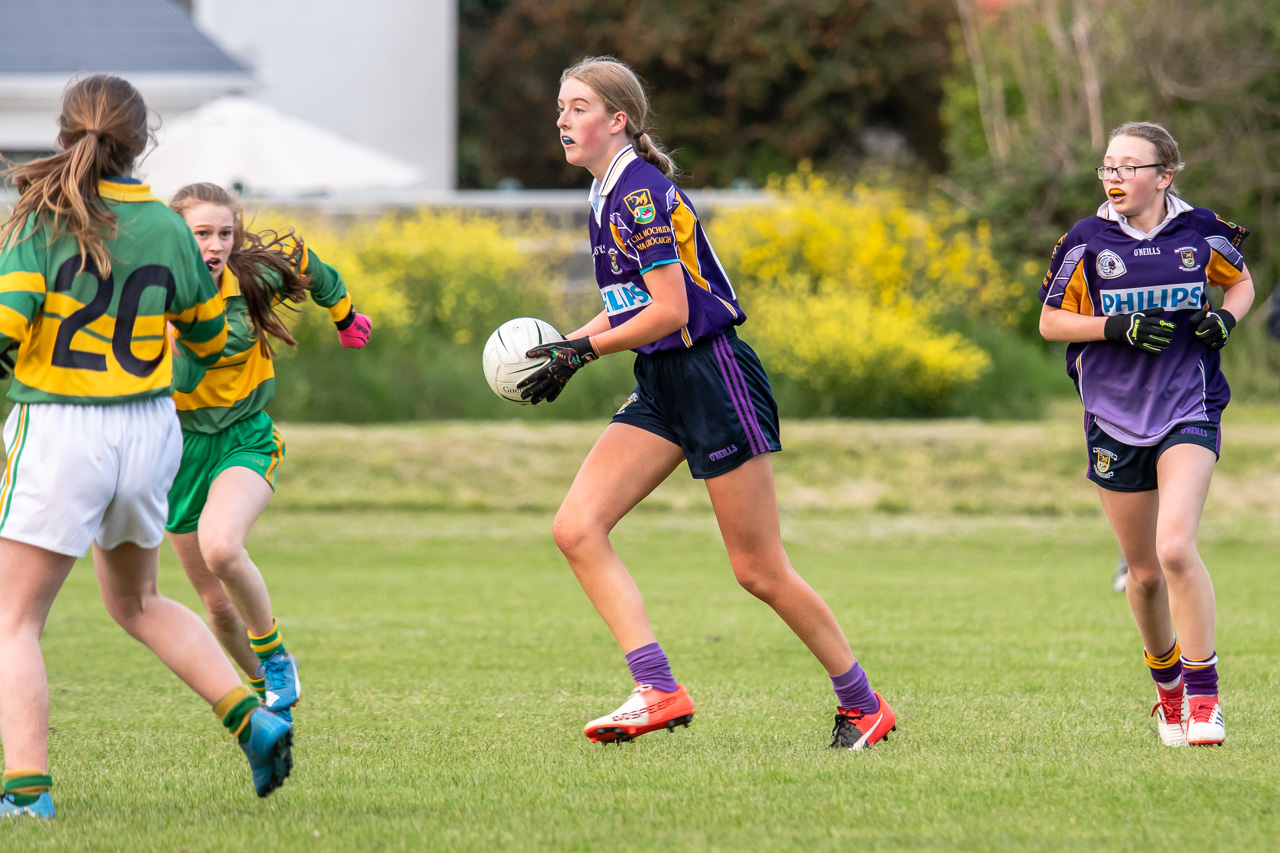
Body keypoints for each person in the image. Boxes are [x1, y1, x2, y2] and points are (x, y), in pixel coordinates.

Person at [518, 56, 896, 750]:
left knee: (758, 568)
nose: (563, 119)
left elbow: (669, 310)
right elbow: (627, 307)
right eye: (561, 106)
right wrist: (563, 349)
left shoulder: (638, 193)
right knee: (576, 528)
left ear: (617, 119)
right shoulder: (606, 192)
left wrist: (584, 353)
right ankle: (658, 689)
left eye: (577, 107)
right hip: (663, 381)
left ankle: (864, 703)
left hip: (713, 375)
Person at [0, 76, 291, 819]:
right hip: (150, 428)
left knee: (14, 620)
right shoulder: (167, 227)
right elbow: (207, 331)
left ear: (68, 135)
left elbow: (5, 332)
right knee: (139, 600)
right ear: (142, 141)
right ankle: (251, 716)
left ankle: (27, 794)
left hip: (63, 425)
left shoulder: (43, 218)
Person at [1039, 121, 1253, 748]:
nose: (1114, 177)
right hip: (1113, 416)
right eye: (1108, 165)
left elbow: (1239, 282)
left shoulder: (1201, 231)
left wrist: (1226, 320)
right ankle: (1168, 694)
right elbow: (1052, 323)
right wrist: (1116, 328)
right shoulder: (1085, 241)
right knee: (1144, 573)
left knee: (1177, 549)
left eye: (1129, 166)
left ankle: (1205, 700)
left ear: (1164, 176)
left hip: (1189, 403)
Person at [165, 182, 371, 721]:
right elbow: (179, 375)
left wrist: (346, 316)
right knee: (215, 604)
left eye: (224, 233)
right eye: (201, 234)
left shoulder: (254, 274)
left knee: (222, 548)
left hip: (245, 438)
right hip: (177, 453)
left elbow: (313, 267)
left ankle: (275, 655)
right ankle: (269, 696)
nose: (214, 246)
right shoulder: (152, 294)